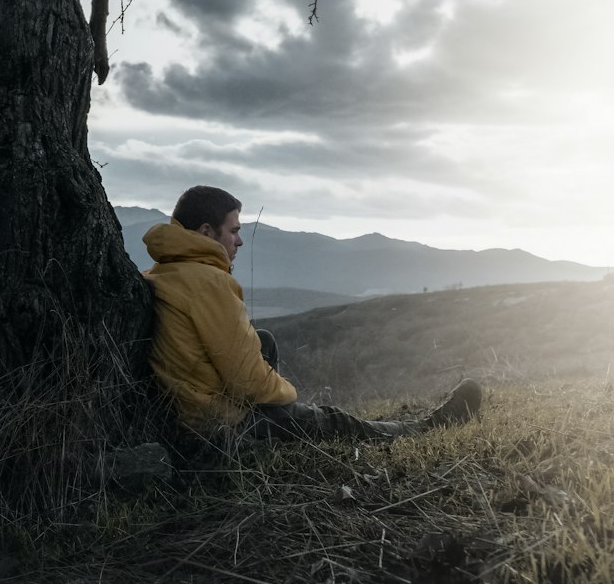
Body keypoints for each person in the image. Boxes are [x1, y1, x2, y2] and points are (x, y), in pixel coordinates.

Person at [143, 185, 481, 444]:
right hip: (219, 427)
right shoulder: (208, 282)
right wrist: (288, 400)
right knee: (331, 421)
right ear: (205, 232)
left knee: (263, 341)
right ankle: (422, 428)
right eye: (233, 231)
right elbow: (246, 379)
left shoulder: (163, 271)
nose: (240, 242)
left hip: (189, 413)